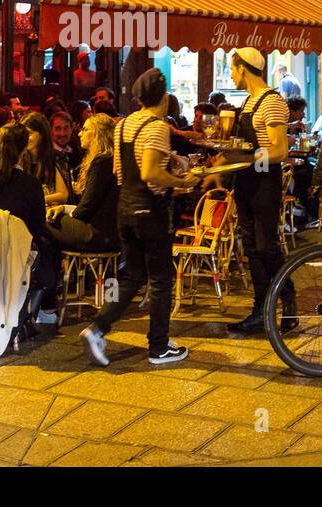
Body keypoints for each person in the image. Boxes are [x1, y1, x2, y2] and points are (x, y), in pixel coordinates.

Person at [80, 68, 198, 366]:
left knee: (132, 275)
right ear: (164, 96)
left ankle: (98, 328)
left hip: (125, 209)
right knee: (161, 279)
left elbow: (122, 171)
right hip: (150, 210)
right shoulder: (156, 126)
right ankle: (159, 346)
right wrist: (182, 181)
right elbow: (149, 173)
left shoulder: (123, 125)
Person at [225, 48, 296, 336]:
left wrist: (247, 158)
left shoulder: (272, 102)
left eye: (232, 68)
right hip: (245, 181)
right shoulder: (248, 102)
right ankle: (259, 311)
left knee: (267, 246)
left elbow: (279, 150)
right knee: (251, 248)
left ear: (243, 68)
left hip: (265, 181)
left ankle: (289, 301)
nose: (230, 74)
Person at [0, 122, 53, 330]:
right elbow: (37, 225)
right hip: (18, 253)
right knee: (49, 245)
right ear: (24, 149)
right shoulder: (29, 184)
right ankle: (46, 308)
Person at [45, 113, 120, 253]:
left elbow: (86, 208)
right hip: (106, 232)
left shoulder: (102, 162)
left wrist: (66, 216)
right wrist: (63, 208)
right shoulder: (108, 160)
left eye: (85, 130)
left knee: (41, 218)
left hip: (98, 234)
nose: (79, 133)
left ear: (98, 134)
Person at [20, 110, 72, 207]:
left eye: (30, 134)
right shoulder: (19, 159)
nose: (25, 138)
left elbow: (63, 195)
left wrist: (35, 199)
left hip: (51, 212)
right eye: (23, 134)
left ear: (42, 134)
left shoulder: (56, 157)